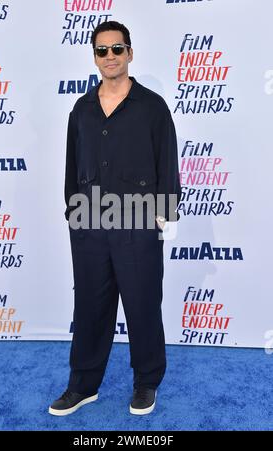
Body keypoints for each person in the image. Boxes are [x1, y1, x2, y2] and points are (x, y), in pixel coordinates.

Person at [49, 21, 181, 417]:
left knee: (142, 306)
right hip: (89, 224)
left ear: (130, 53)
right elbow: (72, 164)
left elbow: (167, 159)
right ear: (94, 56)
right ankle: (83, 385)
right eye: (102, 50)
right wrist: (72, 211)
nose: (110, 57)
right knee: (89, 307)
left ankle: (145, 383)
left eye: (117, 49)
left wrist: (166, 213)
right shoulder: (82, 108)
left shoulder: (152, 106)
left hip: (138, 223)